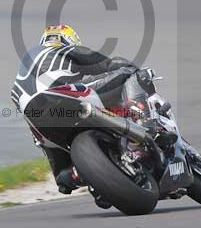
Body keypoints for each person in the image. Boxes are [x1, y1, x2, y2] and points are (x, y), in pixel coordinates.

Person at [11, 24, 170, 196]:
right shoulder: (61, 50)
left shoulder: (29, 65)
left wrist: (65, 176)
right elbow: (102, 62)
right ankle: (148, 124)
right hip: (58, 97)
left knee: (64, 175)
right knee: (132, 74)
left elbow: (56, 166)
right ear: (67, 40)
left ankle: (77, 174)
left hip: (36, 119)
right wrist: (124, 66)